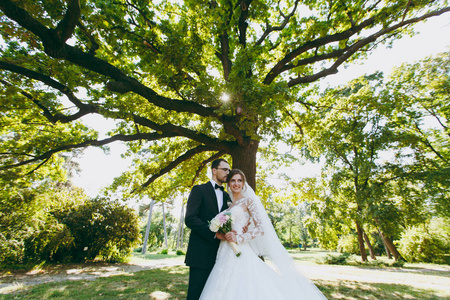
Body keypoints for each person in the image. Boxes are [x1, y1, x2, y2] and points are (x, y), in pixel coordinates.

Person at [199, 169, 327, 300]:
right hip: (224, 251)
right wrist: (222, 234)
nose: (236, 183)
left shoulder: (248, 202)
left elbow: (260, 228)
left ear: (243, 184)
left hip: (240, 250)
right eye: (233, 180)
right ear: (229, 184)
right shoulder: (228, 206)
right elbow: (227, 227)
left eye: (239, 180)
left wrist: (239, 237)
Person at [184, 158, 232, 300]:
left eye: (229, 170)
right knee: (196, 294)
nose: (227, 173)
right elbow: (190, 218)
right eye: (225, 169)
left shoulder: (227, 196)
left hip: (221, 256)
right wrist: (213, 233)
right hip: (200, 253)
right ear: (214, 170)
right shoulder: (199, 190)